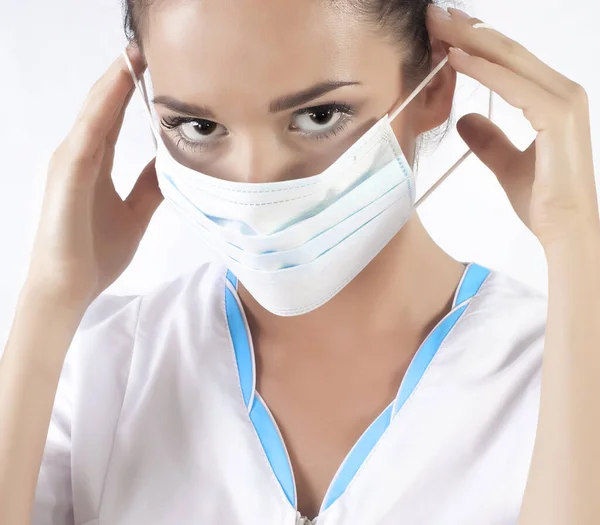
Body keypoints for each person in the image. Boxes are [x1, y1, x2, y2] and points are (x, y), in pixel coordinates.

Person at [1, 0, 599, 524]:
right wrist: (50, 299)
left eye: (319, 115)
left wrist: (578, 249)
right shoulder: (106, 367)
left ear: (435, 88)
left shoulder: (559, 369)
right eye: (199, 125)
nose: (257, 182)